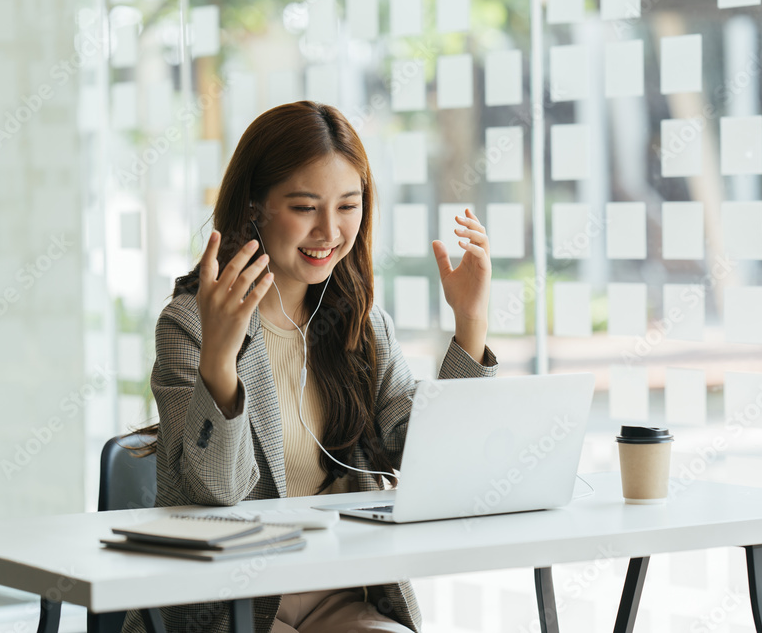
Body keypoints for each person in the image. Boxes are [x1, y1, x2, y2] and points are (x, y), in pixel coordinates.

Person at [121, 101, 498, 633]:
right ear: (255, 207)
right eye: (304, 207)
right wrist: (220, 359)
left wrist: (470, 326)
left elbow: (434, 460)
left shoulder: (362, 325)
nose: (329, 230)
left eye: (348, 205)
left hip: (339, 590)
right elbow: (215, 494)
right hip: (235, 602)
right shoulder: (190, 324)